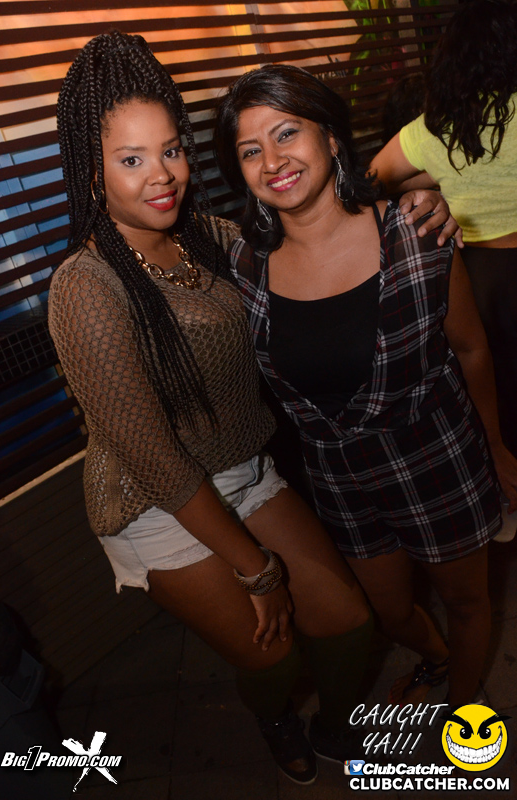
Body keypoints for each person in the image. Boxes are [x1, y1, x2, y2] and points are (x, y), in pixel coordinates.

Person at [49, 31, 376, 785]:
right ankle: (273, 714)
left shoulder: (208, 237)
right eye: (132, 160)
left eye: (170, 151)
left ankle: (334, 728)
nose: (162, 175)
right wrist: (257, 571)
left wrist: (405, 205)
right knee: (275, 652)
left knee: (350, 622)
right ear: (93, 172)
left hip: (242, 470)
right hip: (153, 501)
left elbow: (314, 226)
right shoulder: (86, 286)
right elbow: (156, 461)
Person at [213, 63, 517, 709]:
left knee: (467, 603)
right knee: (388, 612)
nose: (273, 160)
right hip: (340, 478)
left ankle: (464, 711)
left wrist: (495, 447)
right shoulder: (244, 264)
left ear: (329, 138)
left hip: (436, 456)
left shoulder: (415, 233)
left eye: (286, 133)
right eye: (250, 149)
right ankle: (436, 658)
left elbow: (470, 348)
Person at [371, 0, 517, 544]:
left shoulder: (439, 126)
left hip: (478, 278)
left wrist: (432, 186)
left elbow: (369, 181)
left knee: (496, 389)